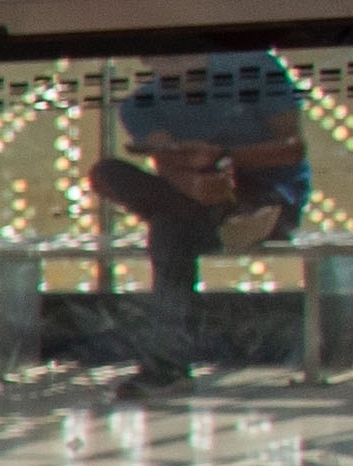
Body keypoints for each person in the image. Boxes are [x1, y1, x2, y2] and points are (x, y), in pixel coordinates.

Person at [92, 51, 311, 391]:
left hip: (265, 192)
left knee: (168, 231)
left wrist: (224, 157)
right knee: (113, 178)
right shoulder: (142, 105)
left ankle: (166, 366)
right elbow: (169, 166)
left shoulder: (255, 69)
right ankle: (167, 366)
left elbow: (292, 147)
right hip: (194, 200)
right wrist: (197, 181)